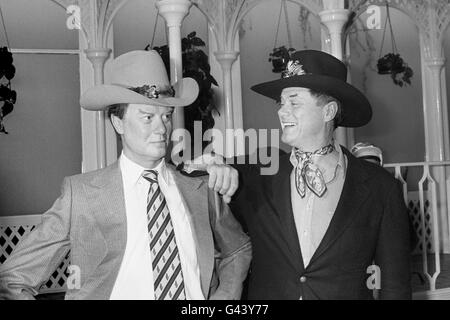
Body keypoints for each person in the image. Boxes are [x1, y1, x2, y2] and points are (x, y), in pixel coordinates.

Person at [0, 50, 251, 300]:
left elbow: (237, 249)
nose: (161, 128)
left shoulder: (200, 187)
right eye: (147, 117)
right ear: (118, 123)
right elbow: (13, 279)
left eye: (166, 116)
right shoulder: (83, 196)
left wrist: (225, 296)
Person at [229, 50, 412, 300]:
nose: (282, 112)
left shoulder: (381, 188)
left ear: (328, 112)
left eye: (294, 102)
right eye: (281, 103)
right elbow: (192, 183)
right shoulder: (257, 174)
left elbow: (395, 287)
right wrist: (212, 164)